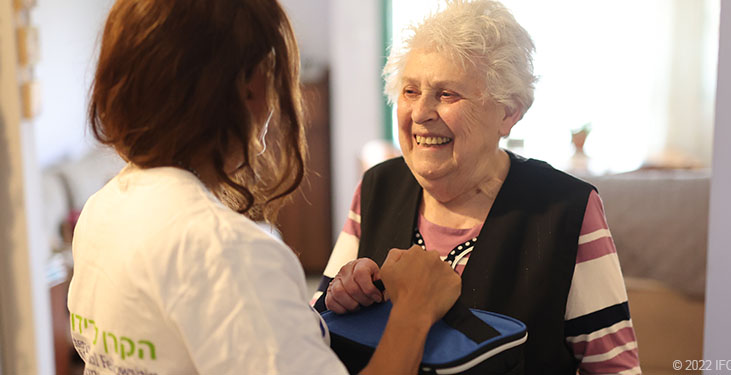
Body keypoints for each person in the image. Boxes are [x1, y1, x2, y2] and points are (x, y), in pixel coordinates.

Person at [67, 1, 461, 374]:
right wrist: (415, 308)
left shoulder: (101, 210)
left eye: (447, 94)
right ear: (250, 85)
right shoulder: (227, 252)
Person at [313, 1, 641, 374]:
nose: (420, 113)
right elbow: (317, 331)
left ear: (509, 112)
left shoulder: (568, 209)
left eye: (447, 94)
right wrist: (341, 294)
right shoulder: (377, 186)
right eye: (410, 91)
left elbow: (615, 368)